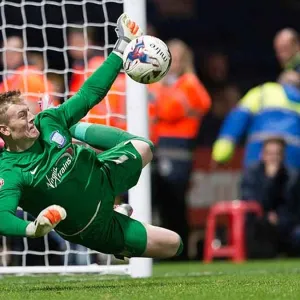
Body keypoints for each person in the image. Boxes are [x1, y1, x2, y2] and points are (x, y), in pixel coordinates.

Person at [0, 13, 182, 260]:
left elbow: (89, 94)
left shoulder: (48, 121)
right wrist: (32, 228)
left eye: (28, 112)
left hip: (102, 175)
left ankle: (74, 129)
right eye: (22, 116)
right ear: (5, 130)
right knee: (173, 244)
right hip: (92, 227)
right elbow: (2, 217)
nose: (30, 117)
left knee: (143, 147)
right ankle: (117, 233)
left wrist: (121, 50)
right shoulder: (9, 171)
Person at [149, 39, 211, 259]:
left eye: (178, 58)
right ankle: (164, 251)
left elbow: (176, 108)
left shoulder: (189, 83)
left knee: (175, 202)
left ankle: (179, 253)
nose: (174, 63)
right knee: (159, 202)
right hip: (158, 146)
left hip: (178, 149)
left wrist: (166, 99)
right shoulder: (158, 83)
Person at [212, 70, 300, 169]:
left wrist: (221, 153)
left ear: (279, 82)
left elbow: (237, 118)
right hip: (294, 156)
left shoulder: (263, 92)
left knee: (253, 182)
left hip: (258, 151)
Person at [240, 137, 300, 257]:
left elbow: (293, 207)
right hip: (259, 226)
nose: (273, 158)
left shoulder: (292, 176)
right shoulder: (251, 174)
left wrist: (280, 218)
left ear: (283, 156)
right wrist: (271, 180)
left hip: (285, 226)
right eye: (270, 153)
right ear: (262, 155)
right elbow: (252, 203)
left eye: (277, 154)